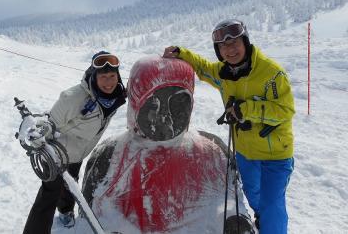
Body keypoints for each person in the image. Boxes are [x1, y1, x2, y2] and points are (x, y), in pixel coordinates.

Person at [81, 55, 254, 234]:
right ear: (135, 103)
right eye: (153, 105)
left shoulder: (213, 151)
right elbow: (89, 217)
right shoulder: (110, 157)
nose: (165, 116)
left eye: (178, 103)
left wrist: (236, 220)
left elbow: (229, 200)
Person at [163, 19, 295, 234]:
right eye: (223, 46)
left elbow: (285, 110)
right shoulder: (224, 73)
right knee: (254, 196)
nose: (230, 50)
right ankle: (263, 220)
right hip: (245, 152)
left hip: (276, 155)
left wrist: (247, 109)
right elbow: (202, 67)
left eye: (234, 43)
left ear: (246, 42)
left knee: (272, 206)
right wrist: (181, 53)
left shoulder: (271, 74)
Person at [23, 51, 127, 234]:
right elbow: (50, 122)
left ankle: (65, 212)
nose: (109, 82)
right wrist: (40, 132)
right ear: (94, 76)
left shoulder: (116, 95)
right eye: (103, 77)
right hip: (57, 153)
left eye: (112, 76)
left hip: (78, 152)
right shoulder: (74, 97)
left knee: (70, 181)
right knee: (49, 195)